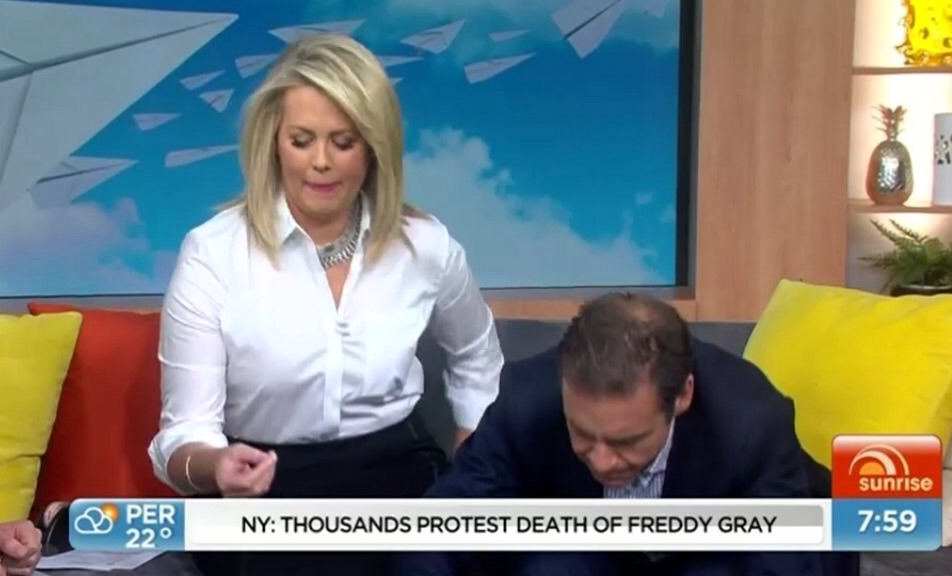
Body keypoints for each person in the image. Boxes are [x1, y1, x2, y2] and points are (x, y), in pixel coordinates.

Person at [148, 33, 504, 576]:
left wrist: (472, 460)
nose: (320, 163)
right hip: (262, 489)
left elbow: (477, 355)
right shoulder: (212, 254)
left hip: (396, 473)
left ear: (374, 147)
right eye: (301, 140)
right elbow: (183, 436)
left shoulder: (425, 246)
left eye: (342, 142)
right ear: (272, 142)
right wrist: (217, 466)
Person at [396, 293, 856, 576]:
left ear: (682, 395)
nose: (601, 460)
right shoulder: (526, 402)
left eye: (627, 441)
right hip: (588, 555)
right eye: (582, 434)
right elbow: (442, 527)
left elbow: (781, 563)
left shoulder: (750, 422)